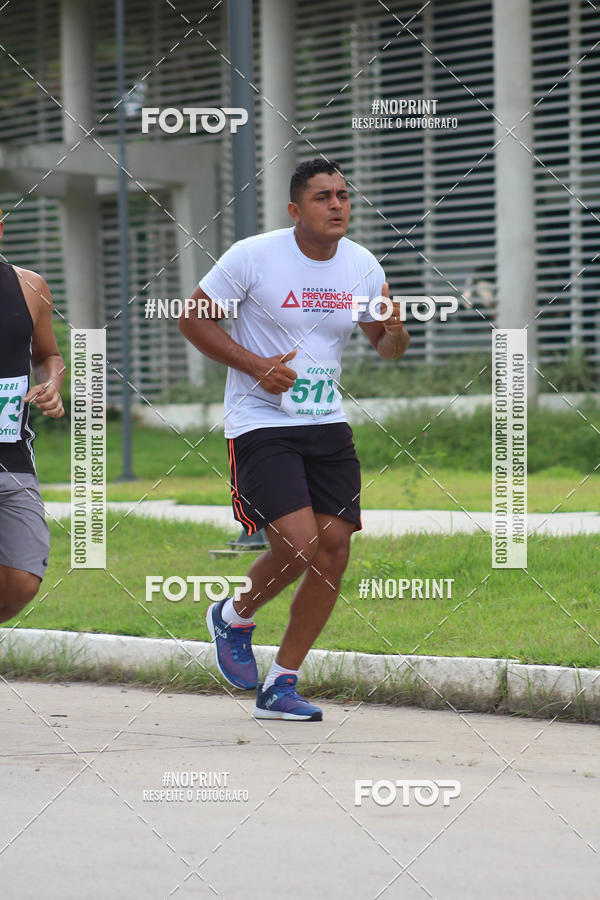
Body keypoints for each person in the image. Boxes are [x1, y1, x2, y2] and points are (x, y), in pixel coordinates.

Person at [179, 158, 409, 721]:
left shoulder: (361, 263)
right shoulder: (253, 256)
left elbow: (386, 347)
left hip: (325, 422)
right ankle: (235, 616)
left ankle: (281, 683)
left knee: (333, 550)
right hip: (261, 422)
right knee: (301, 542)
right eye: (322, 197)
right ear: (294, 209)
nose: (336, 206)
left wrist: (397, 328)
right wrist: (256, 365)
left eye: (343, 196)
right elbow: (193, 319)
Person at [0, 207, 65, 621]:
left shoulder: (30, 286)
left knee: (23, 580)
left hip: (11, 453)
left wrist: (52, 385)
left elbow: (49, 355)